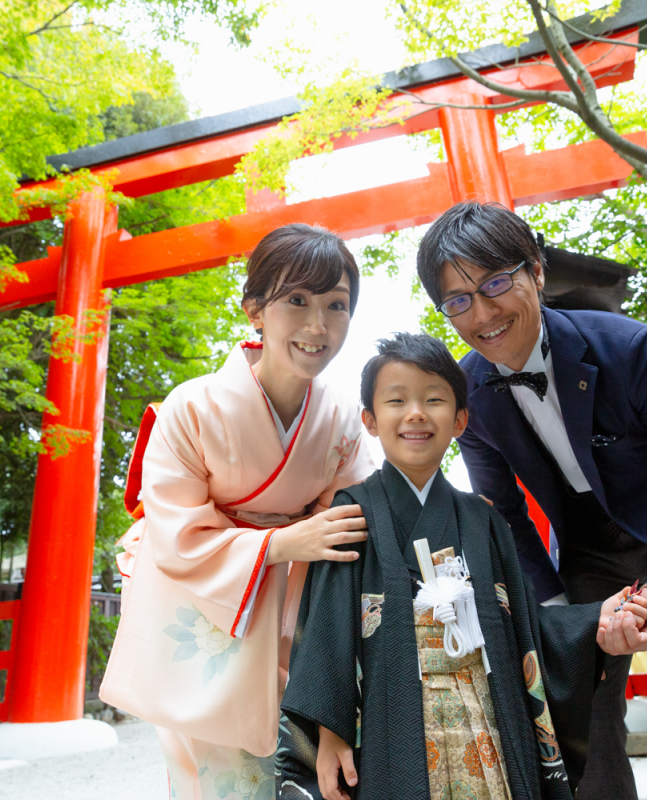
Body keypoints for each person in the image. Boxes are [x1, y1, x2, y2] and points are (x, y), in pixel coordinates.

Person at [414, 202, 647, 800]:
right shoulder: (468, 392)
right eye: (457, 300)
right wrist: (554, 610)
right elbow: (503, 517)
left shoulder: (630, 349)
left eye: (496, 283)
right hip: (585, 554)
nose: (482, 312)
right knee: (580, 708)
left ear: (536, 272)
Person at [278, 332, 647, 800]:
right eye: (397, 401)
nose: (415, 412)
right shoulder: (352, 511)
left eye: (433, 399)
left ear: (459, 420)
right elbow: (328, 629)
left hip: (487, 718)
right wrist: (330, 732)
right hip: (392, 720)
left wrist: (594, 617)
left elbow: (522, 625)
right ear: (370, 421)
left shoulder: (485, 520)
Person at [99, 224, 379, 800]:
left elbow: (353, 525)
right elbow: (176, 534)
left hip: (294, 603)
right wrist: (282, 543)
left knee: (304, 769)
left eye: (336, 305)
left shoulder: (341, 419)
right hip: (200, 599)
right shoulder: (193, 406)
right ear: (255, 308)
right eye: (296, 301)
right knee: (218, 774)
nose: (317, 326)